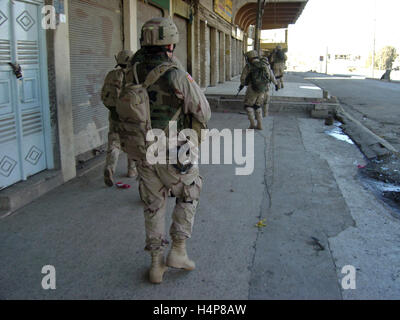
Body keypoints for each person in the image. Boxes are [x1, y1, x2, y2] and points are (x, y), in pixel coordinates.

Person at [126, 17, 211, 284]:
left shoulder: (132, 70)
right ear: (170, 43)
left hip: (142, 148)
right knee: (189, 191)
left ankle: (155, 265)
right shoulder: (174, 73)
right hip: (173, 150)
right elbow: (203, 110)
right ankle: (178, 251)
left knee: (153, 205)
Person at [101, 50, 137, 187]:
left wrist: (112, 108)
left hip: (114, 114)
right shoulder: (132, 76)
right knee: (132, 143)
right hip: (129, 116)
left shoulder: (111, 75)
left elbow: (103, 94)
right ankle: (131, 171)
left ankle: (110, 168)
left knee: (114, 143)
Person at [239, 50, 276, 130]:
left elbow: (243, 79)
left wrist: (244, 84)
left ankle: (252, 124)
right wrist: (275, 84)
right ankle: (260, 125)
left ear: (249, 58)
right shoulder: (265, 65)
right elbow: (270, 76)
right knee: (257, 106)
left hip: (252, 89)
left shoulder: (248, 66)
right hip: (263, 90)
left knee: (248, 106)